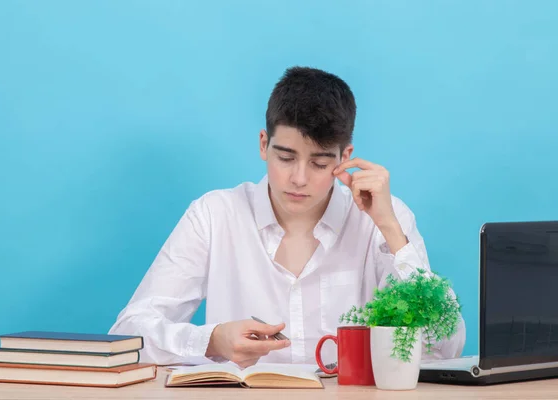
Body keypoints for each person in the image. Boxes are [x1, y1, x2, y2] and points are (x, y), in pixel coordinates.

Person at [109, 66, 466, 368]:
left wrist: (391, 230)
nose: (299, 178)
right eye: (285, 157)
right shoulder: (214, 215)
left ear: (346, 157)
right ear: (263, 144)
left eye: (320, 163)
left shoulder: (384, 220)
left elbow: (443, 348)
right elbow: (126, 336)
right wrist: (211, 340)